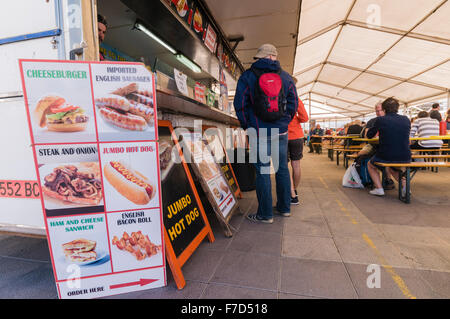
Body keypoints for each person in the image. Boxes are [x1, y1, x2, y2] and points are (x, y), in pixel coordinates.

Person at [234, 44, 298, 223]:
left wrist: (248, 125)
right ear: (274, 57)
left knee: (262, 171)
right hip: (281, 131)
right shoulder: (286, 78)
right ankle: (285, 208)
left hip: (258, 131)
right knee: (282, 169)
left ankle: (265, 214)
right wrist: (284, 122)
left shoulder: (248, 76)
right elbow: (293, 103)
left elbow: (240, 104)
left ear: (261, 57)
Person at [366, 97, 411, 197]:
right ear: (397, 108)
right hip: (405, 155)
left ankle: (379, 189)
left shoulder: (381, 120)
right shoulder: (406, 119)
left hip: (386, 155)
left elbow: (369, 135)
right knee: (392, 168)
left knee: (370, 165)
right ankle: (405, 188)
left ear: (384, 109)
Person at [287, 80, 309, 205]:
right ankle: (294, 190)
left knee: (284, 166)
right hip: (297, 136)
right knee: (296, 165)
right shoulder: (296, 99)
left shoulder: (278, 98)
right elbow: (305, 118)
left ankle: (292, 194)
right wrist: (296, 119)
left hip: (283, 135)